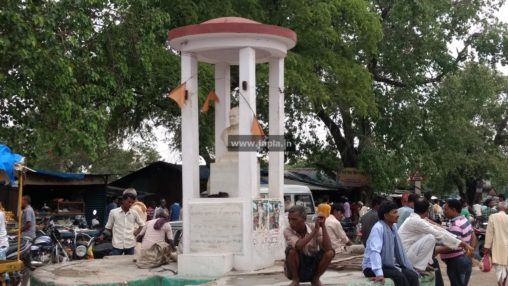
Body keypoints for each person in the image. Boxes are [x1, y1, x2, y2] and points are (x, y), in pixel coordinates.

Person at [398, 198, 472, 273]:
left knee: (431, 236)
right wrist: (462, 244)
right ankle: (418, 267)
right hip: (405, 256)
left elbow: (439, 230)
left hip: (407, 254)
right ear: (427, 210)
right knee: (431, 237)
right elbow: (438, 234)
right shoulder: (416, 221)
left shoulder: (416, 219)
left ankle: (422, 265)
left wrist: (459, 241)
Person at [361, 201, 419, 286]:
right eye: (394, 212)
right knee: (399, 277)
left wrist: (412, 268)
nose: (398, 215)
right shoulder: (378, 228)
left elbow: (398, 251)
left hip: (387, 265)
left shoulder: (393, 227)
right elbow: (375, 251)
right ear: (385, 215)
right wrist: (378, 273)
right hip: (371, 267)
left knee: (412, 275)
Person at [283, 205, 334, 286]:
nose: (291, 222)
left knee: (330, 252)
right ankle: (296, 280)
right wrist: (314, 231)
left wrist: (323, 226)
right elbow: (299, 246)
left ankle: (315, 279)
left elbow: (328, 248)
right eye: (289, 219)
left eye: (294, 219)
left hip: (312, 265)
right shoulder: (288, 230)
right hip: (297, 266)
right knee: (291, 251)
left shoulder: (313, 227)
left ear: (304, 219)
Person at [439, 199, 475, 286]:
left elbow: (451, 246)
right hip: (464, 259)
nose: (444, 211)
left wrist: (436, 250)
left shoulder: (456, 225)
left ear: (453, 210)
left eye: (446, 209)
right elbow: (473, 236)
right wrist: (470, 252)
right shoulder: (464, 220)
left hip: (456, 262)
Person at [104, 189, 145, 255]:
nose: (130, 204)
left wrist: (136, 232)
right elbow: (108, 227)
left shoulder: (134, 213)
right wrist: (110, 234)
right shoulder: (113, 212)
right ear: (123, 200)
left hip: (130, 244)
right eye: (129, 202)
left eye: (132, 202)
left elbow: (142, 224)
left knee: (128, 264)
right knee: (114, 263)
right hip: (117, 245)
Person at [484, 201, 508, 286]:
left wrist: (486, 247)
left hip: (497, 247)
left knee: (498, 269)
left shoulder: (493, 217)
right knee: (506, 267)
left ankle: (500, 284)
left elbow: (489, 233)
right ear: (506, 209)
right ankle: (504, 284)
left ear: (497, 209)